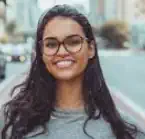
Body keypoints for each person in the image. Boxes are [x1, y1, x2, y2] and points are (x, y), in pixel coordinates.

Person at [1, 4, 144, 139]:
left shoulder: (124, 131)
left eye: (73, 42)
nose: (62, 51)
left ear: (91, 49)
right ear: (41, 53)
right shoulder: (10, 121)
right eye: (51, 44)